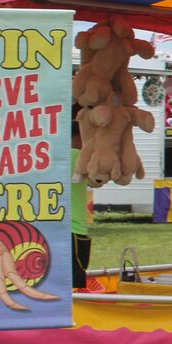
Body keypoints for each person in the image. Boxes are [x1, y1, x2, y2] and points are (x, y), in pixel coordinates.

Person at [70, 119, 92, 288]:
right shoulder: (82, 158)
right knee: (75, 281)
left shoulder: (52, 157)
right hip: (75, 227)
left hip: (56, 229)